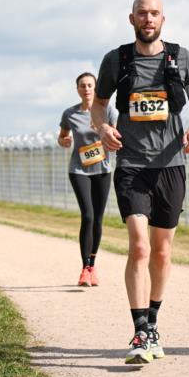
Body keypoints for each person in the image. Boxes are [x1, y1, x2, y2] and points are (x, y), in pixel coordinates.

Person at [92, 0, 189, 365]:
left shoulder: (181, 58)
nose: (148, 19)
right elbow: (99, 104)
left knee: (161, 251)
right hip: (131, 166)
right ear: (131, 19)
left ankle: (154, 322)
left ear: (164, 18)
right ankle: (140, 330)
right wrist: (102, 129)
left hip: (171, 165)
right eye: (142, 13)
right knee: (140, 246)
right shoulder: (117, 60)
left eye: (154, 13)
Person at [59, 72, 118, 287]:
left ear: (95, 88)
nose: (86, 89)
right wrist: (64, 140)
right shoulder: (70, 113)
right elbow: (63, 135)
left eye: (90, 85)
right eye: (82, 85)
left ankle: (92, 265)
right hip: (79, 170)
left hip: (102, 170)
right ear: (77, 89)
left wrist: (107, 129)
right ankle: (84, 268)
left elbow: (117, 133)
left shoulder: (107, 111)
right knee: (88, 215)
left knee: (99, 218)